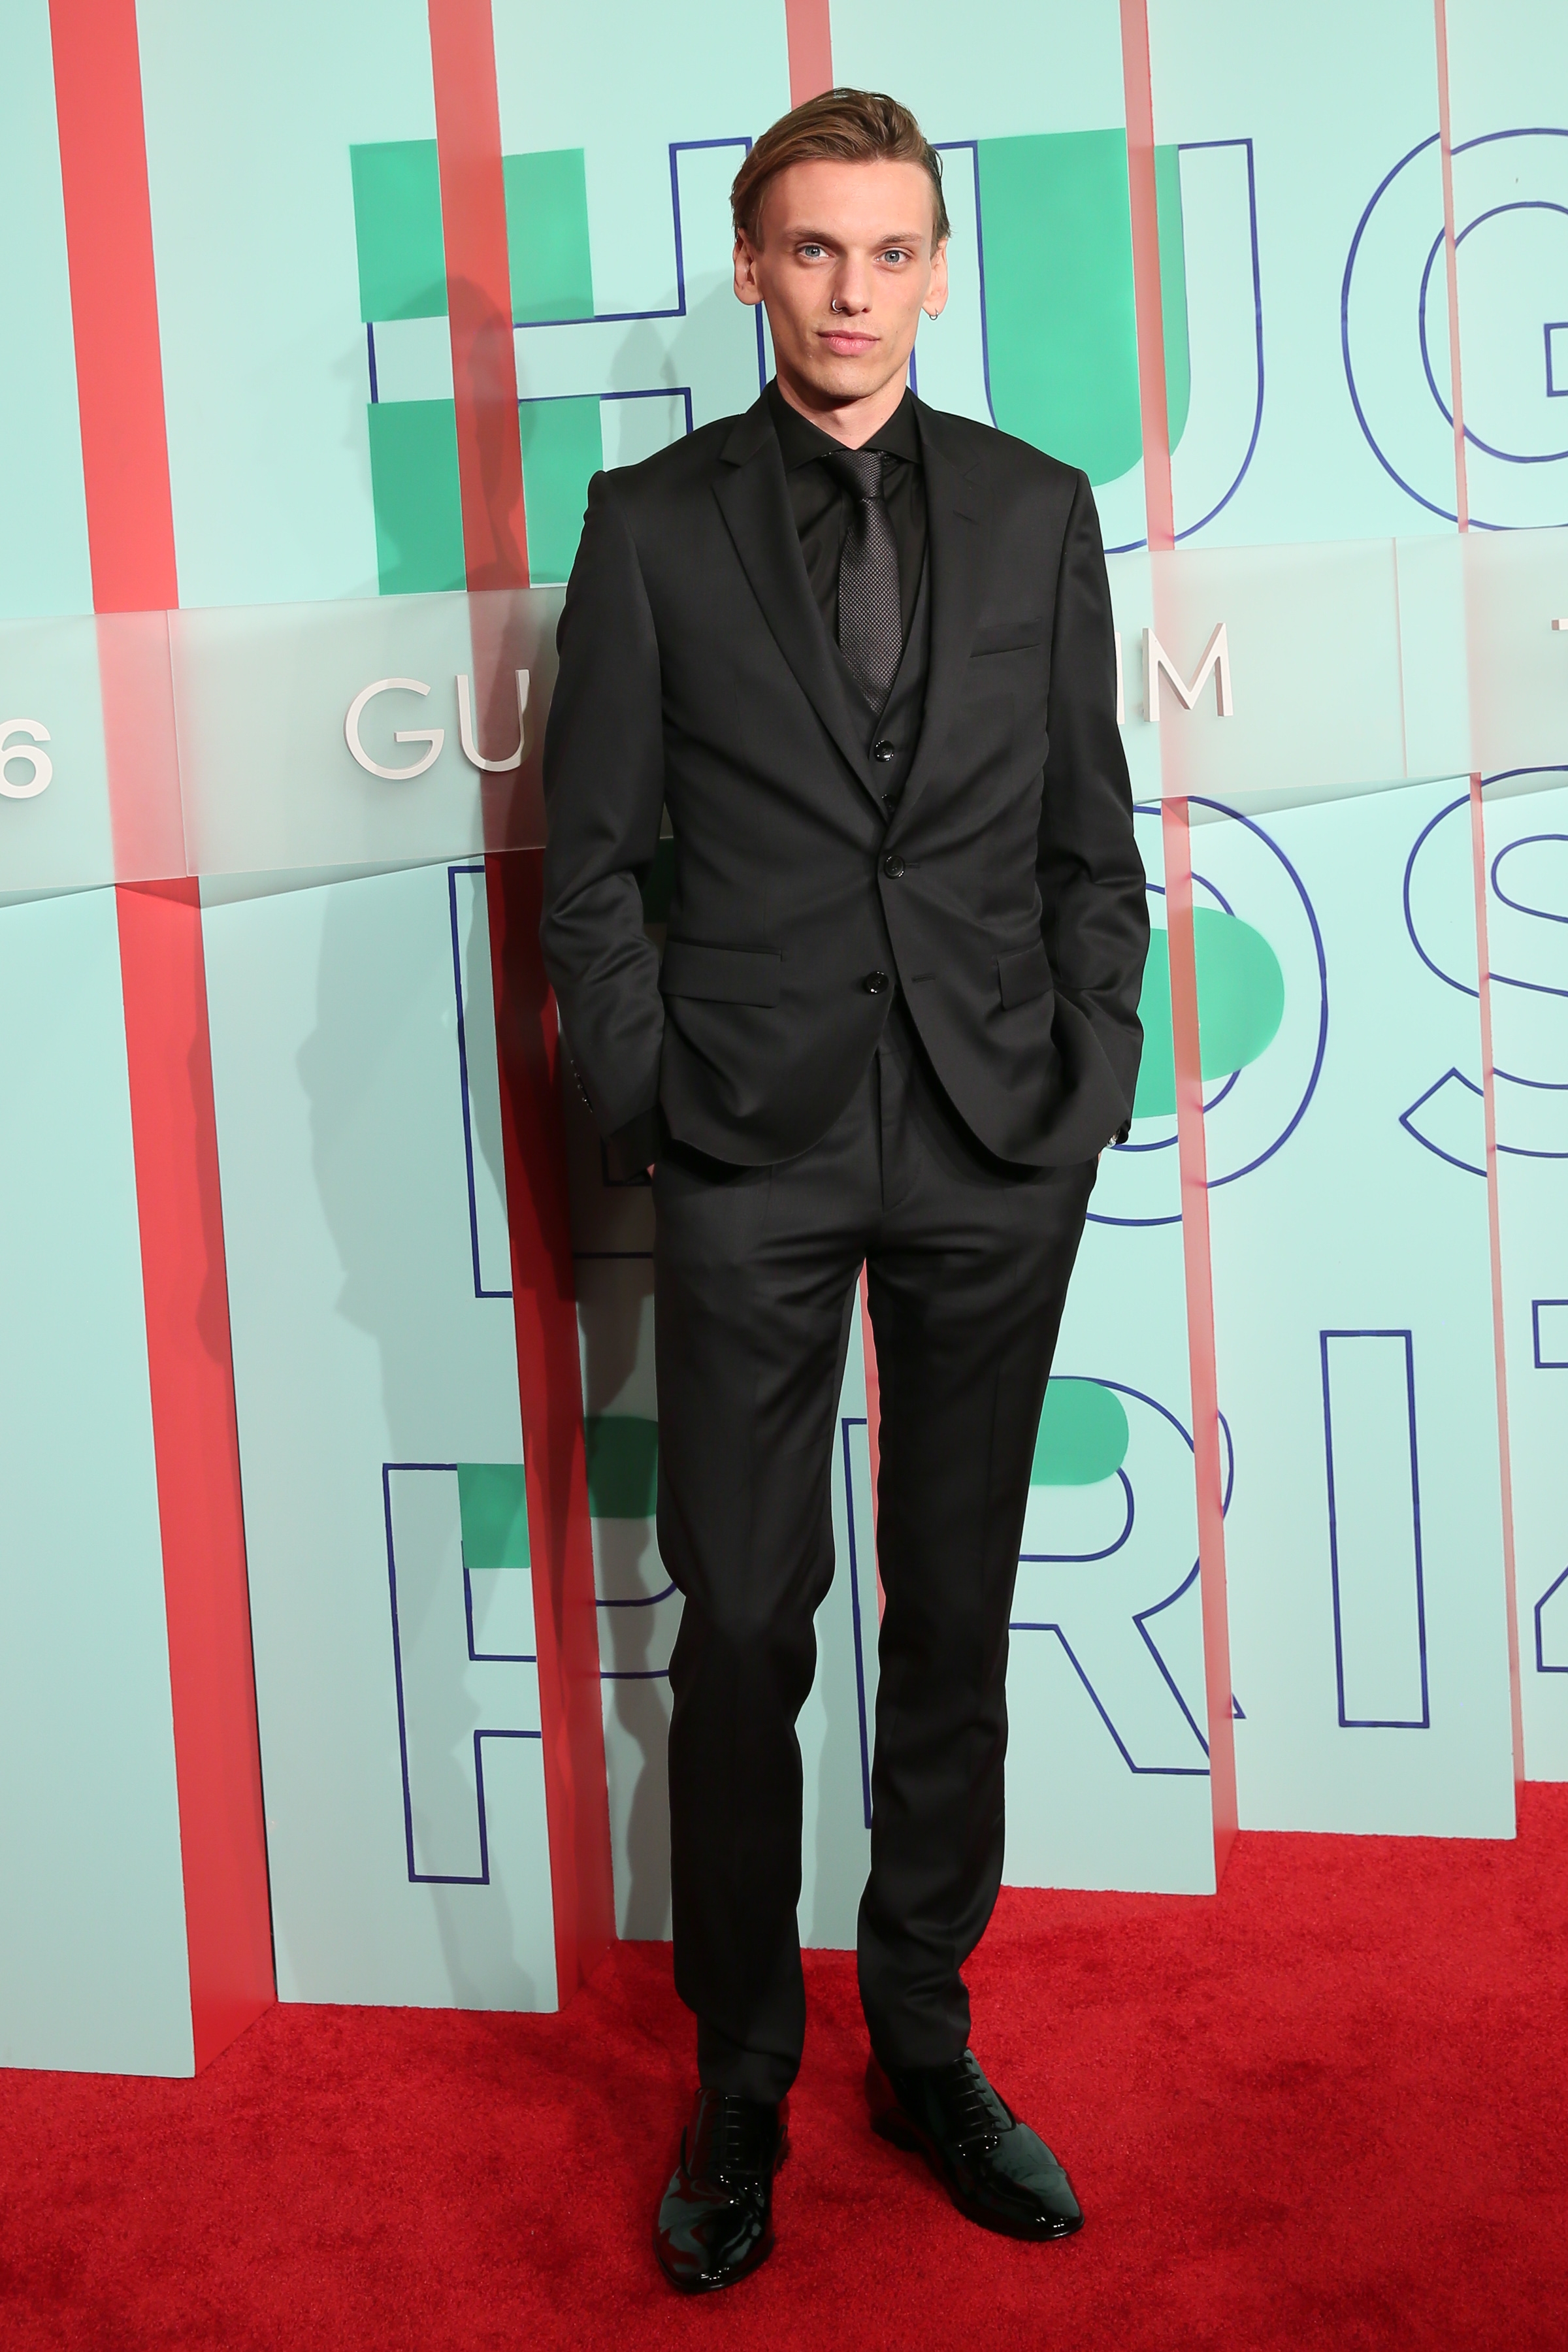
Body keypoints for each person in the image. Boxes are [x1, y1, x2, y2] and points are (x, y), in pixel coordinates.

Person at [541, 87, 1149, 2293]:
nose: (854, 292)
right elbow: (591, 865)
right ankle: (740, 2077)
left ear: (938, 272)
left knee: (958, 1613)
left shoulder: (1037, 508)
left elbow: (1091, 837)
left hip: (995, 1140)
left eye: (891, 252)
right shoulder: (650, 526)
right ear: (750, 265)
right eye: (814, 250)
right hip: (752, 1146)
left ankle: (925, 2039)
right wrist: (660, 1103)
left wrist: (1087, 1077)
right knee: (746, 1623)